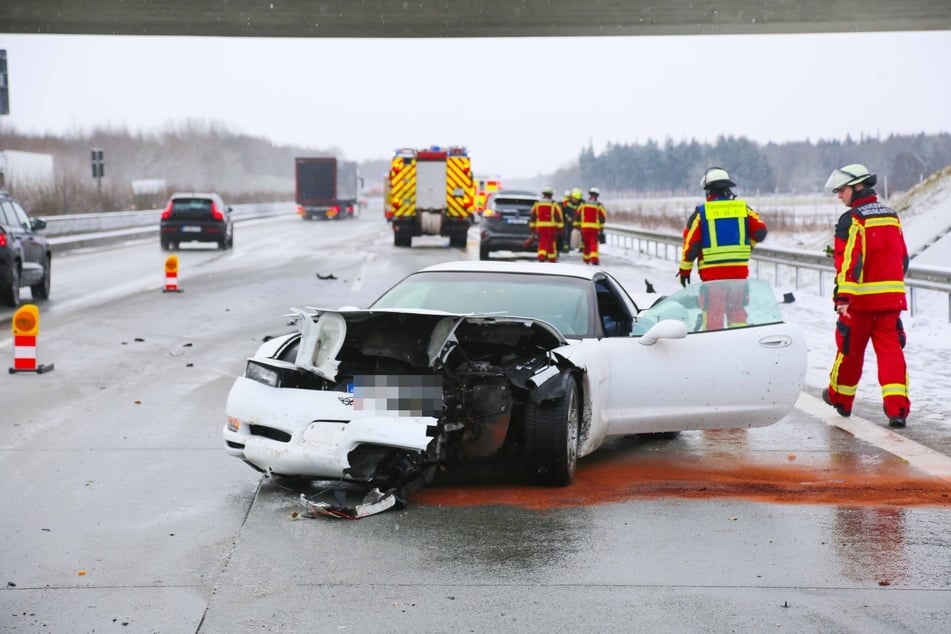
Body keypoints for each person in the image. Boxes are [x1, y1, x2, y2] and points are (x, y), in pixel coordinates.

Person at [821, 163, 910, 428]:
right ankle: (897, 409)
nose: (839, 195)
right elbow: (902, 257)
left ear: (858, 187)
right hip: (890, 302)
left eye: (842, 190)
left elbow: (849, 261)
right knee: (891, 354)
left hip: (859, 303)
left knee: (849, 351)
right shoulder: (891, 215)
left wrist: (843, 297)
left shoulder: (852, 219)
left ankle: (841, 399)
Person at [677, 167, 768, 330]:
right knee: (737, 313)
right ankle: (739, 346)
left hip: (713, 277)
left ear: (708, 190)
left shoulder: (702, 213)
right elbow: (760, 231)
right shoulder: (743, 209)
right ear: (728, 189)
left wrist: (685, 270)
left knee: (713, 317)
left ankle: (716, 350)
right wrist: (748, 246)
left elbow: (691, 245)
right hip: (738, 274)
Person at [526, 186, 564, 262]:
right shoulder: (554, 205)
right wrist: (560, 230)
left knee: (542, 243)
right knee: (551, 244)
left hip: (540, 228)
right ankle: (552, 259)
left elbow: (533, 217)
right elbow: (559, 218)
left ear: (543, 194)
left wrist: (532, 229)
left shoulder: (537, 204)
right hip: (551, 228)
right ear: (551, 195)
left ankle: (541, 257)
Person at [574, 187, 607, 265]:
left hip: (585, 228)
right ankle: (594, 259)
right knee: (593, 243)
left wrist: (577, 225)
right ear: (597, 196)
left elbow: (577, 215)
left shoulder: (583, 204)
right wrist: (601, 228)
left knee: (586, 243)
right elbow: (602, 217)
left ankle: (586, 259)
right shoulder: (598, 205)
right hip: (594, 228)